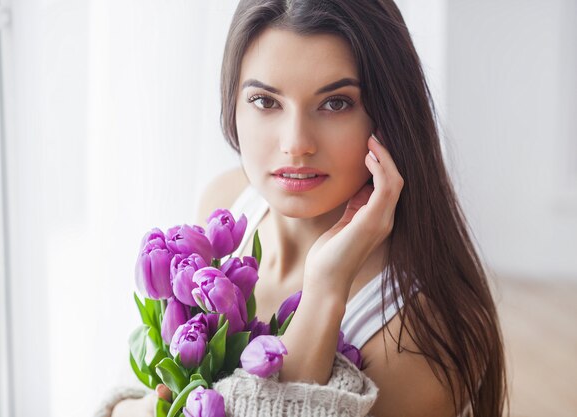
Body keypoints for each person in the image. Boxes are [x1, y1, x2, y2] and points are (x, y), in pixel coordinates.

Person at [102, 1, 508, 416]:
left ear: (388, 115)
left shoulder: (421, 336)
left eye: (335, 103)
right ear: (232, 105)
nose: (296, 143)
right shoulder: (224, 203)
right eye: (265, 101)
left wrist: (326, 291)